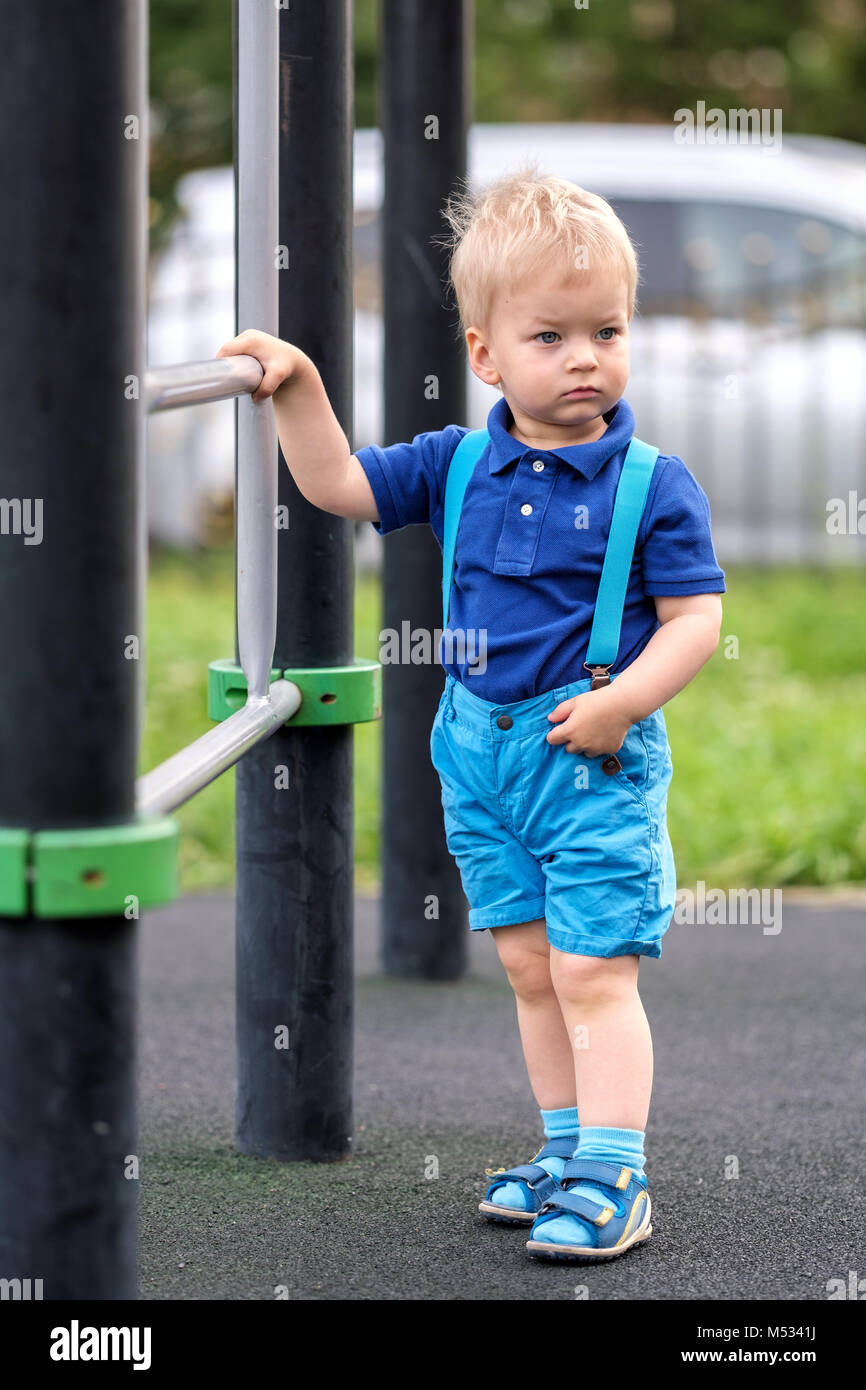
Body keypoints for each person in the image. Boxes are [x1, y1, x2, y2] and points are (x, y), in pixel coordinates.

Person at [216, 161, 726, 1262]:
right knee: (531, 966)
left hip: (588, 754)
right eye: (550, 337)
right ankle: (562, 1144)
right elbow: (338, 487)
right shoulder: (455, 465)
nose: (585, 356)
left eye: (607, 330)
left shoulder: (651, 483)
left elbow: (694, 621)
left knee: (593, 969)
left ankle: (614, 1170)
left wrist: (623, 702)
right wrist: (298, 384)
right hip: (479, 757)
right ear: (486, 356)